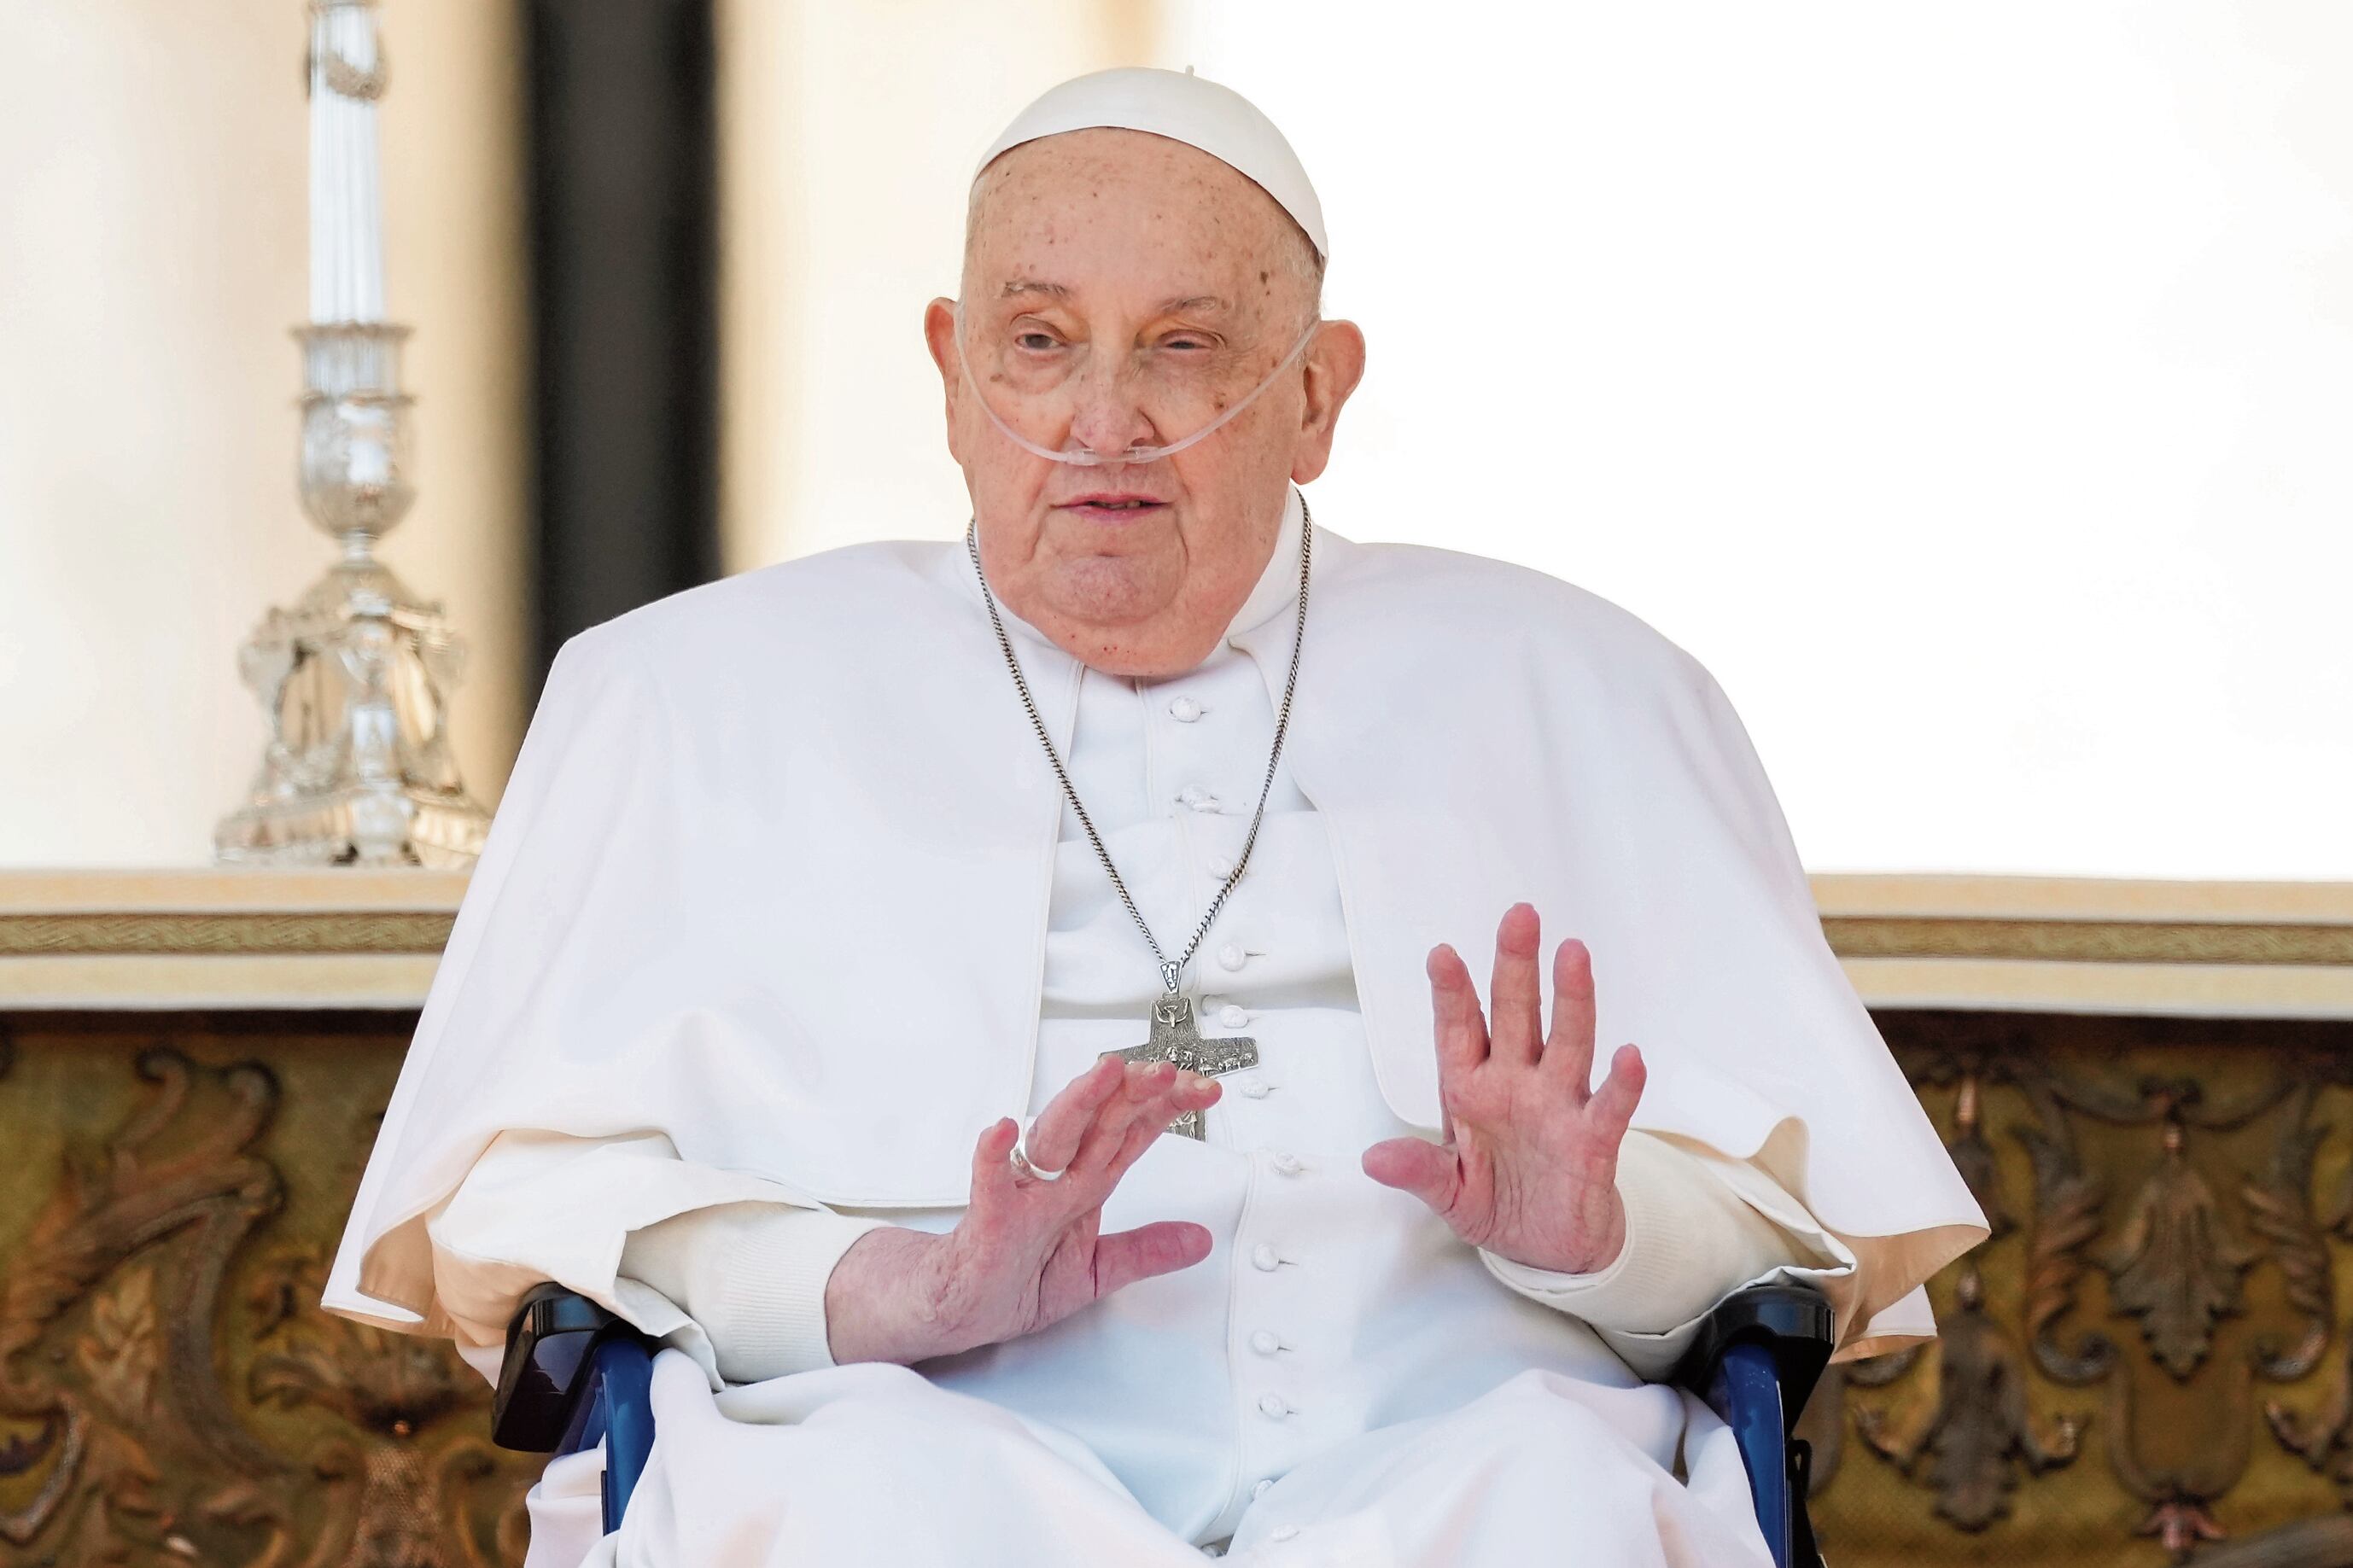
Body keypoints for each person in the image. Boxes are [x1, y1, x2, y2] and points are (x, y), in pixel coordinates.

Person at [326, 67, 1986, 1567]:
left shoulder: (1589, 688)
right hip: (903, 1441)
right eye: (1039, 344)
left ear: (1318, 393)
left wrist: (1603, 1235)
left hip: (1452, 1465)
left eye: (1183, 348)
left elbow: (1792, 1249)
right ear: (949, 364)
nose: (1101, 425)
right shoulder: (683, 694)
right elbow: (519, 1219)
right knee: (858, 1508)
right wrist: (878, 1289)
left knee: (1557, 1498)